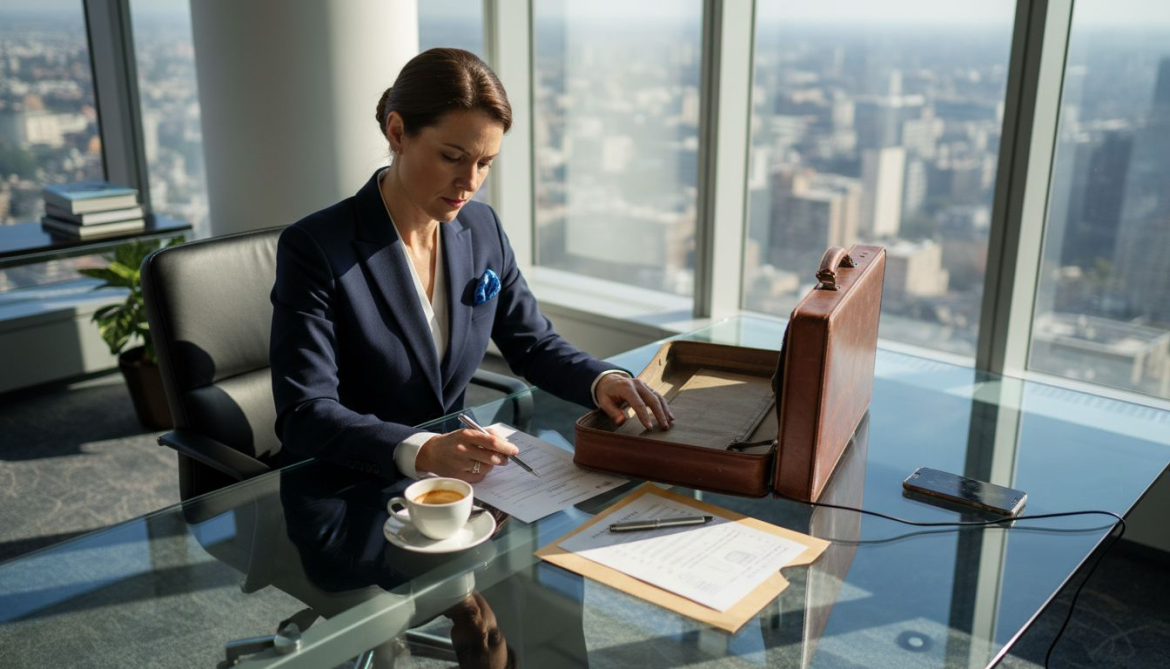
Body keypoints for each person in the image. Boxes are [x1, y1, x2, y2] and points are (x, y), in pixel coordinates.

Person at [270, 48, 673, 483]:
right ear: (398, 132)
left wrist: (602, 380)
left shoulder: (482, 228)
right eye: (452, 157)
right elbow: (305, 412)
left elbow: (533, 344)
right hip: (343, 486)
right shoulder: (316, 247)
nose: (470, 183)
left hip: (454, 482)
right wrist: (422, 450)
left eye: (485, 163)